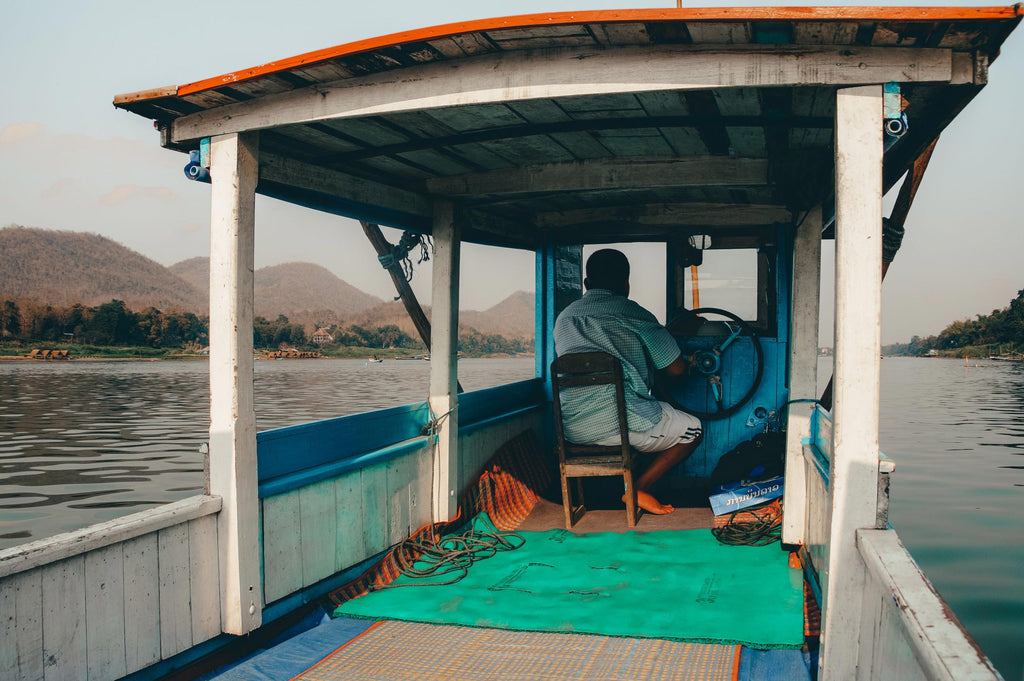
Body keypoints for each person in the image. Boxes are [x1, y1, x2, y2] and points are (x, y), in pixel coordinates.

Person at [553, 248, 702, 515]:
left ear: (587, 284)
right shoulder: (634, 314)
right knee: (693, 429)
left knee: (647, 416)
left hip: (572, 429)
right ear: (626, 284)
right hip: (621, 427)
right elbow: (677, 370)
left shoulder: (564, 319)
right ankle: (637, 489)